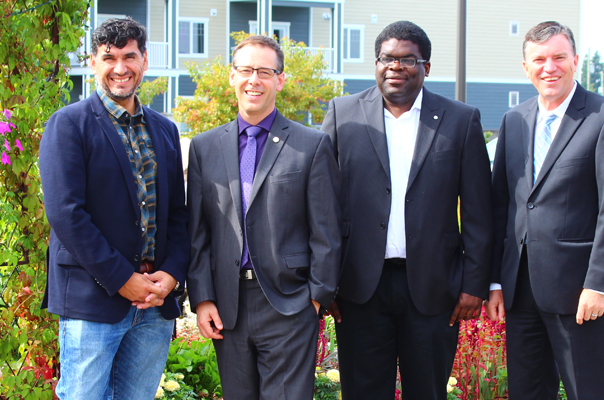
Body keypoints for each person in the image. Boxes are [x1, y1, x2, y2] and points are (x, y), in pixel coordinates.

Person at [321, 20, 493, 400]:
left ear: (426, 67)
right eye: (387, 59)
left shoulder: (461, 120)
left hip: (434, 290)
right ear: (376, 63)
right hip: (358, 288)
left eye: (407, 60)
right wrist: (325, 280)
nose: (395, 67)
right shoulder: (342, 114)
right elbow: (322, 206)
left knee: (428, 392)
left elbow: (480, 211)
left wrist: (473, 284)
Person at [39, 17, 190, 400]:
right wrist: (123, 278)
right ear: (93, 62)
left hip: (155, 305)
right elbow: (66, 214)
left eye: (129, 56)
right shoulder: (68, 125)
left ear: (144, 60)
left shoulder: (165, 130)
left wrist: (171, 274)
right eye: (109, 58)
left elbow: (177, 213)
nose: (120, 68)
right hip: (94, 300)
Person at [185, 35, 341, 400]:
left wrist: (314, 300)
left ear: (280, 80)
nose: (254, 79)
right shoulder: (205, 147)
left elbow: (327, 232)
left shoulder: (311, 144)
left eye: (264, 71)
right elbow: (198, 232)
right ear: (231, 76)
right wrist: (203, 298)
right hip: (228, 306)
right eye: (246, 70)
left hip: (288, 304)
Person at [487, 21, 604, 400]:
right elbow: (502, 205)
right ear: (526, 67)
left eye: (558, 57)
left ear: (575, 61)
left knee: (587, 391)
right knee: (527, 391)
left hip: (580, 292)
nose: (548, 67)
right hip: (521, 290)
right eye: (539, 59)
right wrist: (496, 281)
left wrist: (600, 284)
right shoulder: (514, 120)